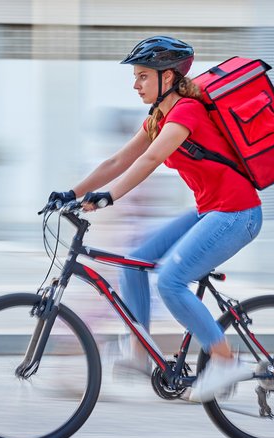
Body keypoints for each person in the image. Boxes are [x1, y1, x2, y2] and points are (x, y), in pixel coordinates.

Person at [47, 36, 262, 402]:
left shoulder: (187, 113)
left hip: (236, 212)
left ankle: (225, 360)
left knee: (170, 281)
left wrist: (109, 196)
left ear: (168, 77)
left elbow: (149, 161)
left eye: (143, 76)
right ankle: (140, 351)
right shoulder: (158, 118)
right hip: (208, 209)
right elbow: (118, 161)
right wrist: (72, 192)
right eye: (136, 76)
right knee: (133, 264)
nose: (135, 84)